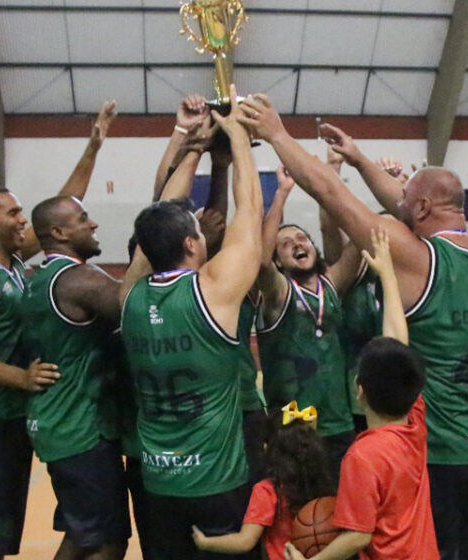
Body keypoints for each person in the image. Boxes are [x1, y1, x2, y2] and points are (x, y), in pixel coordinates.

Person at [237, 94, 468, 560]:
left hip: (439, 448)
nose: (396, 202)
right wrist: (358, 158)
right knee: (466, 547)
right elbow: (410, 205)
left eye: (405, 200)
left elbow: (331, 196)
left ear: (418, 209)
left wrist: (278, 134)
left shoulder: (418, 259)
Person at [0, 101, 116, 560]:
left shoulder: (19, 265)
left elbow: (59, 215)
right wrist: (23, 378)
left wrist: (93, 148)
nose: (23, 220)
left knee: (1, 537)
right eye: (13, 212)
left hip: (16, 417)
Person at [120, 85, 263, 560]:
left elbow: (156, 217)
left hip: (157, 482)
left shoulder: (130, 296)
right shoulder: (214, 291)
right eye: (198, 231)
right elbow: (251, 211)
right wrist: (237, 138)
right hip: (215, 480)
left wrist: (195, 148)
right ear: (190, 246)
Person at [284, 228, 438, 560]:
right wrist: (388, 275)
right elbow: (398, 342)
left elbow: (357, 536)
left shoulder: (362, 456)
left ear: (359, 391)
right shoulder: (415, 425)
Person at [21, 195, 150, 560]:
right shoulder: (76, 280)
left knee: (84, 534)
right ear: (59, 232)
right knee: (105, 541)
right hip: (79, 428)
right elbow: (128, 302)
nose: (93, 224)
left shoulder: (39, 278)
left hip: (58, 423)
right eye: (83, 218)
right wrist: (148, 239)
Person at [255, 164, 361, 480]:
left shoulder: (333, 284)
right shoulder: (278, 293)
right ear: (278, 260)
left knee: (339, 514)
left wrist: (328, 180)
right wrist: (283, 193)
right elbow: (260, 261)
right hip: (292, 428)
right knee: (297, 520)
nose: (298, 244)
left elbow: (360, 235)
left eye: (302, 238)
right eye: (286, 244)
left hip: (339, 423)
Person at [191, 401, 334, 559]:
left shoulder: (268, 490)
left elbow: (245, 541)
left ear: (267, 447)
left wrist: (205, 542)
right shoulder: (322, 480)